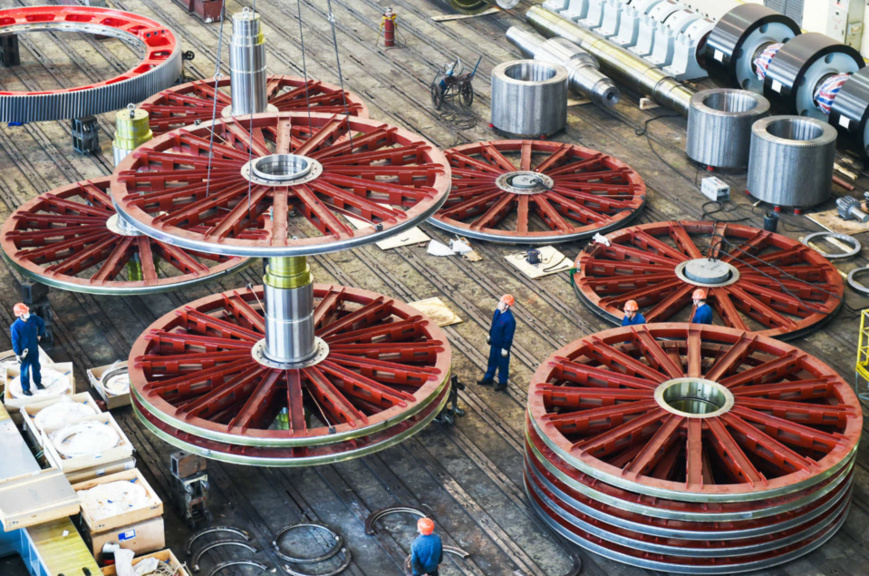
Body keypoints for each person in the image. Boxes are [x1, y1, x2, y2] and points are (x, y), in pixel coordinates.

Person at [477, 294, 515, 392]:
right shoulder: (497, 312)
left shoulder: (510, 320)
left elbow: (508, 337)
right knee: (492, 361)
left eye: (502, 302)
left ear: (507, 306)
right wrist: (490, 335)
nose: (499, 304)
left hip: (501, 346)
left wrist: (505, 348)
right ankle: (488, 378)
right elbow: (494, 325)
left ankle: (503, 382)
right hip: (494, 343)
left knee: (502, 365)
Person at [10, 303, 45, 396]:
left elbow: (41, 323)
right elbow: (15, 341)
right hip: (24, 352)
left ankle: (38, 383)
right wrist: (18, 354)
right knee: (25, 371)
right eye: (25, 312)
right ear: (20, 314)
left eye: (27, 311)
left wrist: (39, 335)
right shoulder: (15, 327)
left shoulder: (33, 318)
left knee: (36, 367)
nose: (27, 313)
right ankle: (26, 389)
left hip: (34, 349)